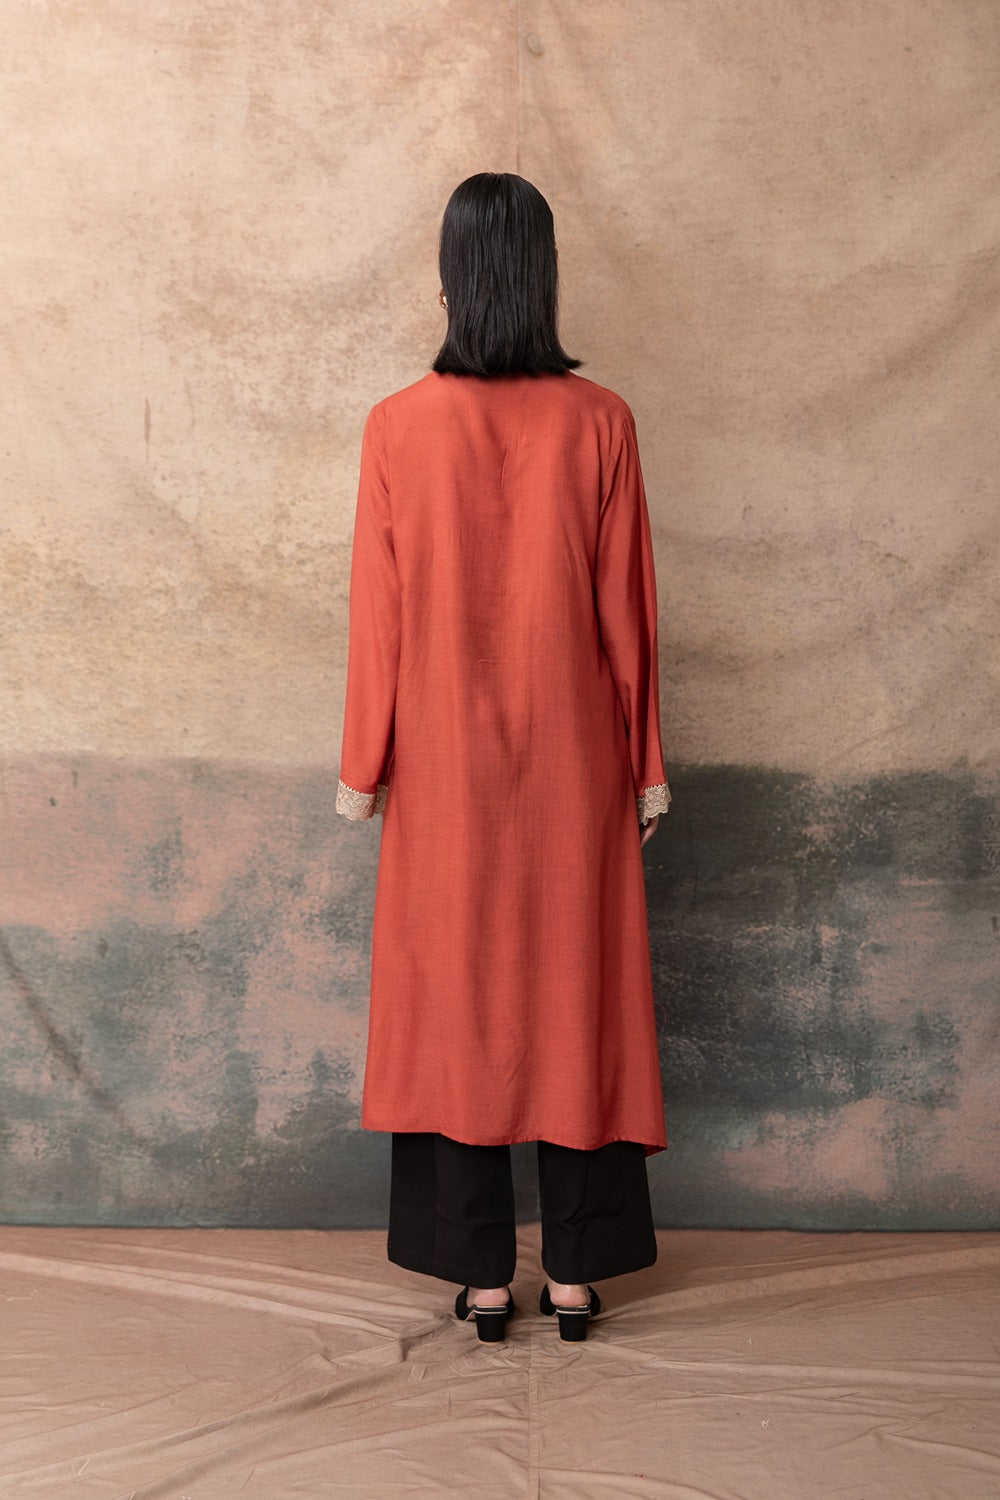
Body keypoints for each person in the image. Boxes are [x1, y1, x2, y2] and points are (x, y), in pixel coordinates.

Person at [336, 172, 670, 1344]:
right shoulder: (601, 422)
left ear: (449, 277)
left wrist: (364, 764)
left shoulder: (396, 425)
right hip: (574, 756)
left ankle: (480, 1276)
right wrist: (644, 761)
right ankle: (575, 1273)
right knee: (579, 996)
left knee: (455, 999)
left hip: (441, 766)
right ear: (543, 277)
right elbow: (627, 613)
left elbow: (379, 616)